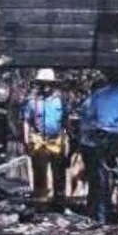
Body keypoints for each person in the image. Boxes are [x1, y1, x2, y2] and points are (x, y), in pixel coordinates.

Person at [79, 68, 118, 223]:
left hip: (103, 135)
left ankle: (103, 216)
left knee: (103, 176)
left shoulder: (98, 95)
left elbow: (92, 117)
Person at [21, 68, 68, 208]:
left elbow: (66, 120)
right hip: (39, 141)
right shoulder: (32, 101)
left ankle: (59, 203)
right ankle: (40, 204)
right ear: (39, 84)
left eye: (49, 83)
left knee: (59, 173)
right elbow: (26, 121)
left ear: (53, 84)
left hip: (57, 141)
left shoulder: (61, 101)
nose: (46, 86)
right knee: (40, 173)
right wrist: (26, 140)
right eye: (43, 83)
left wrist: (68, 138)